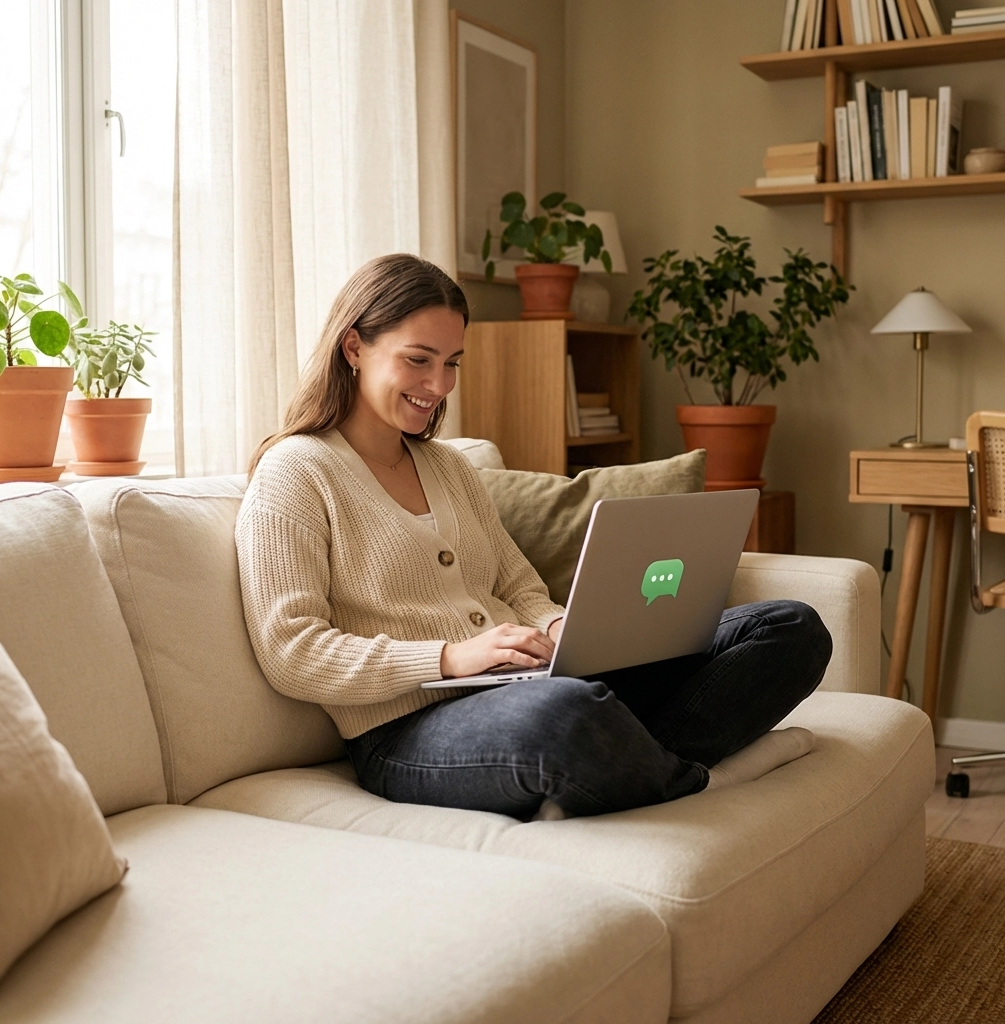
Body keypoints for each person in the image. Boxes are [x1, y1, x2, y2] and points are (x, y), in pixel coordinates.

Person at [236, 253, 832, 820]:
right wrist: (448, 659)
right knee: (567, 717)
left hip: (533, 683)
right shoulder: (295, 471)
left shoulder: (449, 467)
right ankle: (690, 773)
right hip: (407, 729)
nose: (439, 384)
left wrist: (554, 628)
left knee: (790, 628)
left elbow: (519, 584)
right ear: (353, 348)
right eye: (419, 359)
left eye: (452, 362)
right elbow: (292, 650)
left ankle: (634, 761)